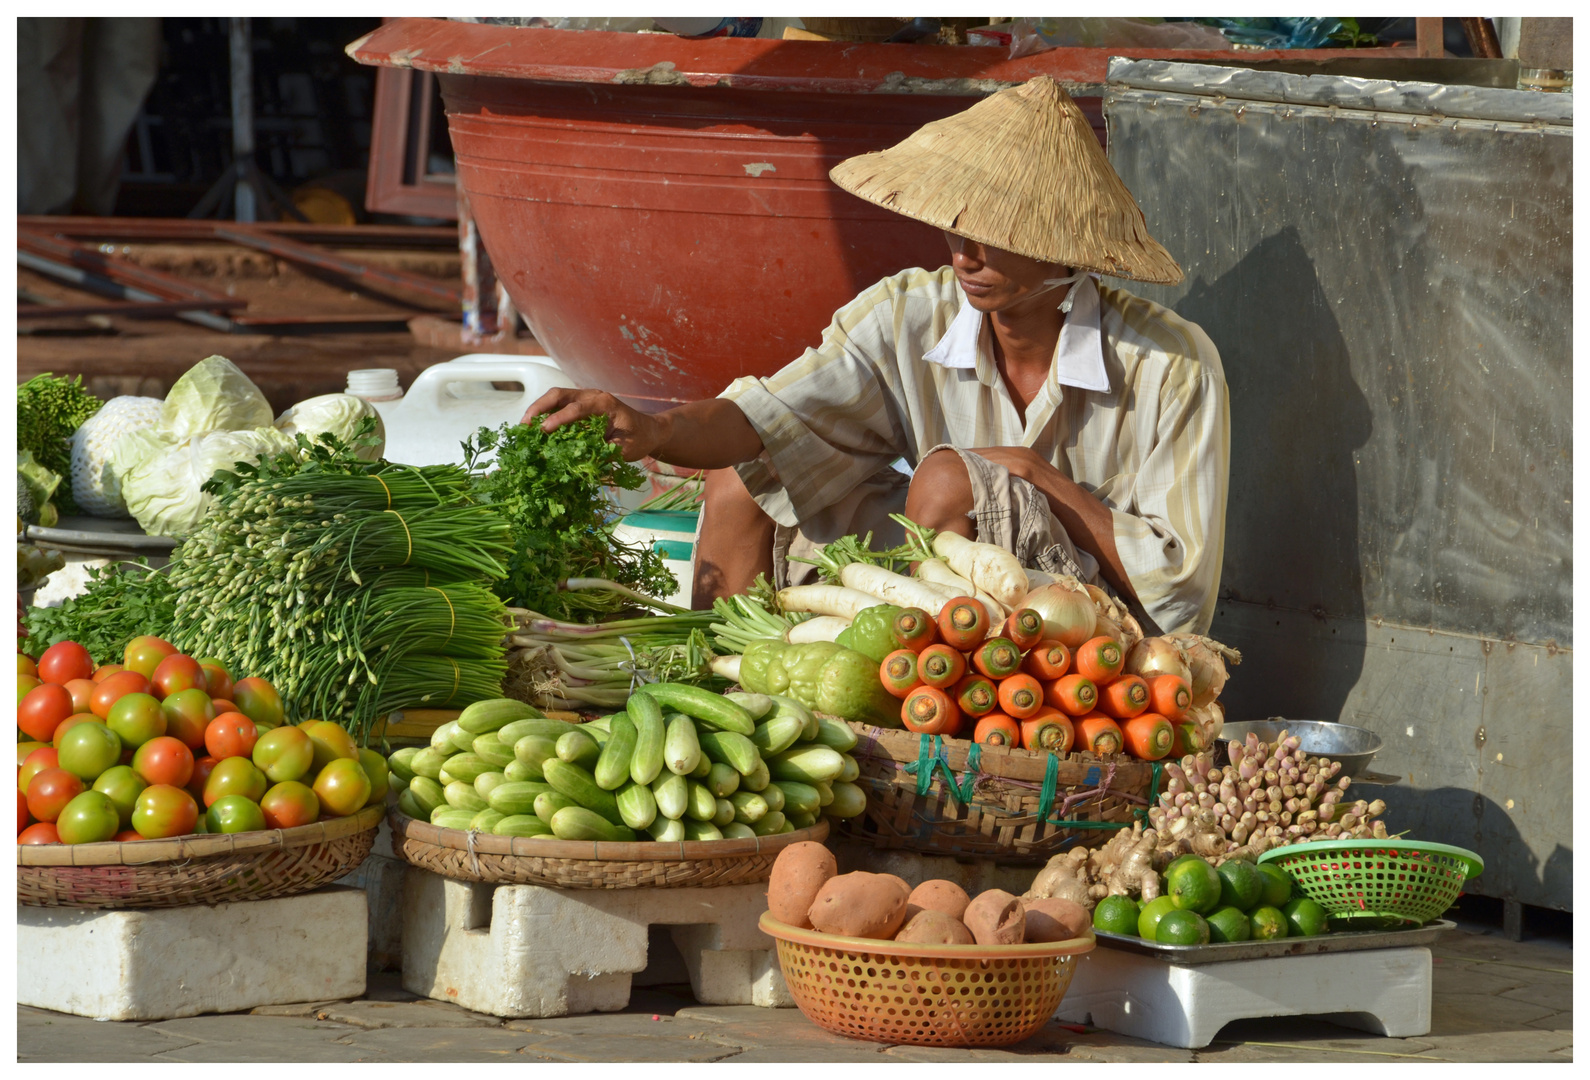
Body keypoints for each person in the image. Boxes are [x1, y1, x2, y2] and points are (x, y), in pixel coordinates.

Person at [527, 76, 1229, 636]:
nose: (966, 253)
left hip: (1083, 614)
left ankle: (911, 737)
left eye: (995, 231)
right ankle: (717, 696)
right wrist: (654, 429)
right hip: (933, 575)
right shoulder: (906, 314)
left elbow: (1181, 589)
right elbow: (767, 418)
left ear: (1062, 251)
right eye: (955, 225)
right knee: (745, 478)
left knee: (954, 479)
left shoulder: (1170, 364)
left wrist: (1035, 478)